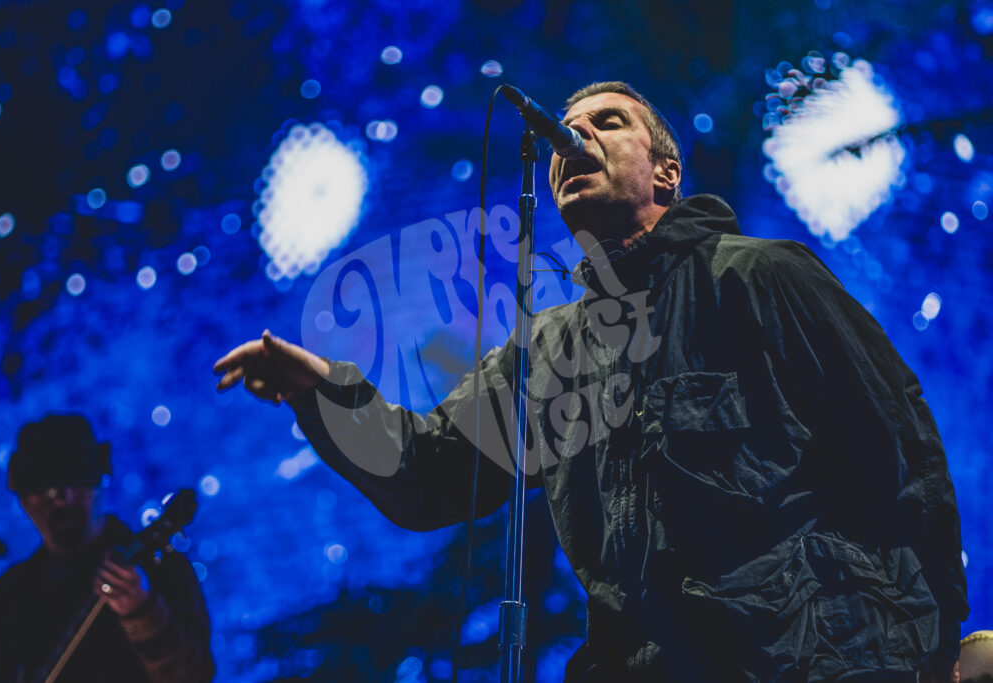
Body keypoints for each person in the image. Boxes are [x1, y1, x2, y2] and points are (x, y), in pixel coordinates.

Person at [213, 81, 968, 681]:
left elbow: (896, 446)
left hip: (810, 656)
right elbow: (427, 472)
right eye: (567, 129)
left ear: (665, 173)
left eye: (608, 122)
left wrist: (932, 642)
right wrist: (321, 388)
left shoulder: (760, 276)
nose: (574, 137)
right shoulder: (552, 354)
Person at [0, 414, 215, 683]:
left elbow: (193, 676)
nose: (62, 498)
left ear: (100, 480)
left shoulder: (157, 568)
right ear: (24, 500)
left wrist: (143, 613)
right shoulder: (5, 601)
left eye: (74, 480)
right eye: (43, 487)